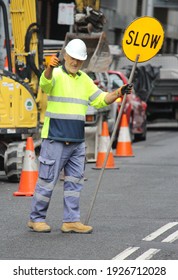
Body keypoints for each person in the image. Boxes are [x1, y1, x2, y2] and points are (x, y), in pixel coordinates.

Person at [27, 38, 132, 233]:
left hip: (77, 141)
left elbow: (101, 100)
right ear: (65, 55)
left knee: (74, 182)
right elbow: (45, 84)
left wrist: (118, 92)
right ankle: (36, 218)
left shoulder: (84, 79)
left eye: (79, 60)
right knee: (47, 181)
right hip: (55, 138)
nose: (75, 62)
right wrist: (48, 68)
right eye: (72, 58)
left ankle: (71, 221)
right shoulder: (55, 74)